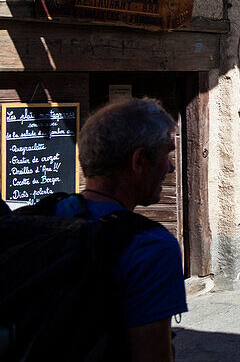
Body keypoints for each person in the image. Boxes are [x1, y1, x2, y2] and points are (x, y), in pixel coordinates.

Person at [55, 98, 187, 362]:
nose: (171, 166)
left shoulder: (49, 216)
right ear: (138, 161)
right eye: (166, 154)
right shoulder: (149, 246)